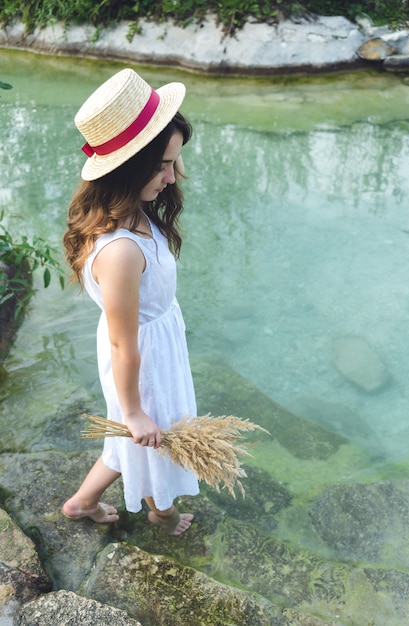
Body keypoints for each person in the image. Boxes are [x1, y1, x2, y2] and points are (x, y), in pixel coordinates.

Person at [61, 68, 199, 535]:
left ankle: (83, 502)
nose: (174, 174)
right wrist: (135, 408)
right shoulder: (120, 249)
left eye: (175, 160)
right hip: (139, 359)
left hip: (152, 343)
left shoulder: (132, 213)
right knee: (149, 435)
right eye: (163, 163)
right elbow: (124, 346)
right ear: (129, 167)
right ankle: (162, 512)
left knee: (136, 437)